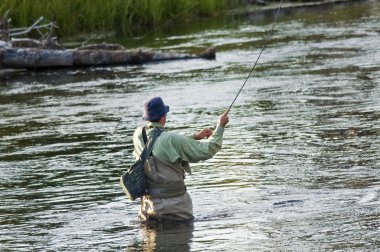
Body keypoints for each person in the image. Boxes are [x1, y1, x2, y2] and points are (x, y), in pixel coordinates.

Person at [132, 97, 229, 222]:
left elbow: (158, 143)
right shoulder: (171, 139)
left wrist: (194, 136)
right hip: (175, 207)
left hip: (148, 207)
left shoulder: (138, 134)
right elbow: (207, 149)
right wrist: (220, 126)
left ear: (147, 117)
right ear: (163, 116)